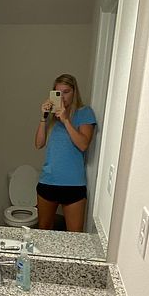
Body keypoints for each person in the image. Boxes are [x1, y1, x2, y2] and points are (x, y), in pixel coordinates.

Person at [34, 74, 96, 232]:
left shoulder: (84, 112)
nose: (62, 97)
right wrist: (43, 117)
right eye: (58, 93)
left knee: (75, 235)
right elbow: (39, 144)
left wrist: (66, 120)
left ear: (75, 92)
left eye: (66, 92)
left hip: (73, 184)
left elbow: (83, 144)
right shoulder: (51, 116)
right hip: (48, 180)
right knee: (43, 230)